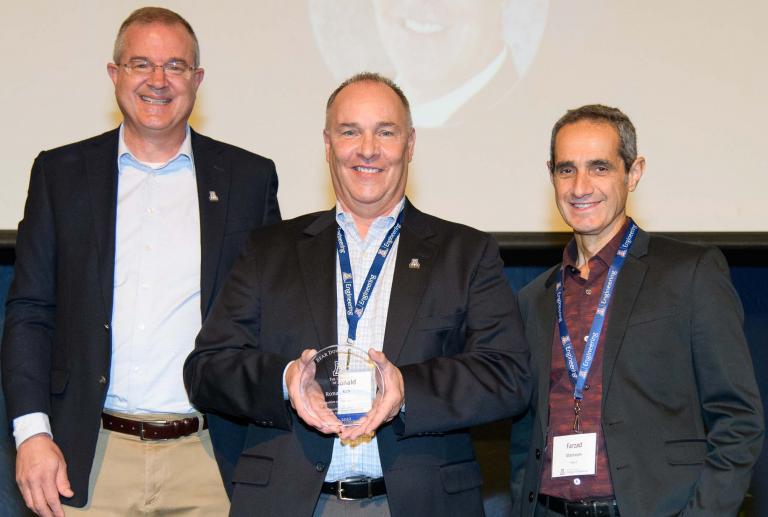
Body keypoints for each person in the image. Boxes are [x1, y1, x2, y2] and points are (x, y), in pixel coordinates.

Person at [183, 72, 531, 517]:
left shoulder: (465, 253)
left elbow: (508, 377)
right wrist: (286, 380)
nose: (368, 149)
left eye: (385, 132)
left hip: (419, 502)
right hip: (291, 503)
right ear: (328, 145)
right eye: (351, 132)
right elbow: (206, 368)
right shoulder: (269, 250)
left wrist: (408, 390)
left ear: (410, 144)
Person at [1, 7, 280, 516]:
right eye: (140, 65)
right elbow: (29, 313)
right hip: (88, 456)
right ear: (115, 75)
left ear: (197, 81)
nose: (158, 80)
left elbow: (268, 322)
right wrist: (31, 434)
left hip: (211, 461)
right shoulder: (59, 175)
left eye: (175, 66)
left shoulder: (249, 179)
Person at [510, 104, 764, 516]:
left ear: (634, 172)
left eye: (600, 168)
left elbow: (738, 419)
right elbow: (525, 435)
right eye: (566, 169)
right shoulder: (535, 298)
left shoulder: (691, 273)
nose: (580, 186)